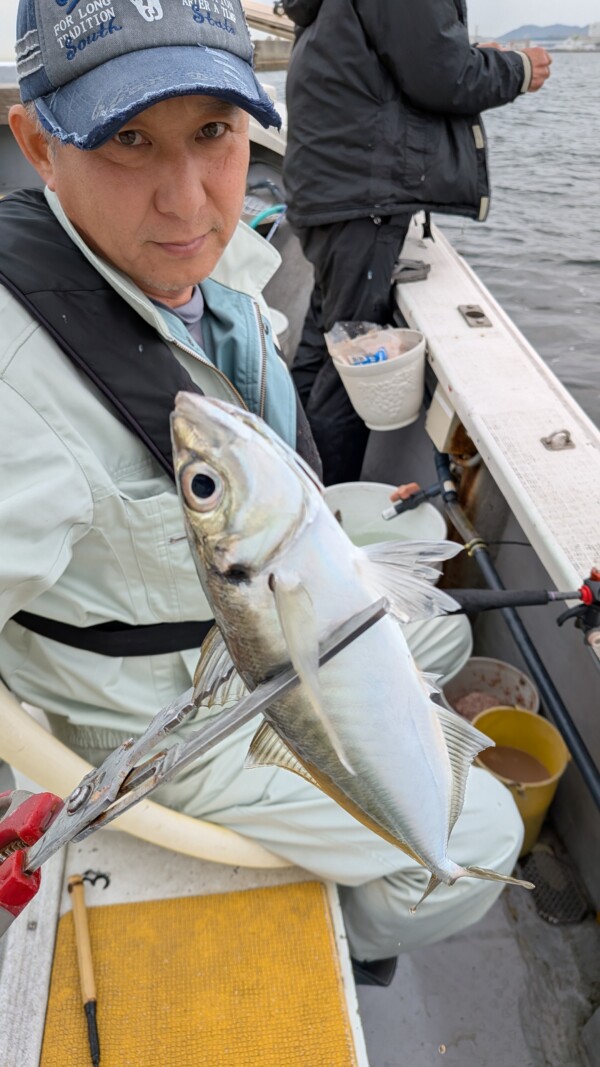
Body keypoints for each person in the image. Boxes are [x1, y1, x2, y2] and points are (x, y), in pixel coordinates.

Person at [0, 0, 523, 982]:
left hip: (241, 618)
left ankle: (375, 775)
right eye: (126, 140)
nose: (188, 203)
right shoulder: (13, 395)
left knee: (444, 616)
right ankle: (323, 927)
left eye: (213, 131)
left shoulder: (207, 267)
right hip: (164, 714)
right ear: (37, 146)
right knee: (485, 837)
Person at [281, 0, 552, 485]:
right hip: (360, 196)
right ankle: (324, 505)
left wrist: (473, 56)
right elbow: (444, 76)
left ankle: (290, 474)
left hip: (330, 189)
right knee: (353, 366)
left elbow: (405, 56)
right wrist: (519, 68)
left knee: (325, 343)